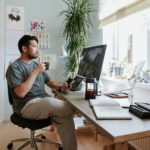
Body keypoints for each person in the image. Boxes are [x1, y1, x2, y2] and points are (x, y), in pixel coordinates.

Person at [6, 35, 77, 150]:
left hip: (43, 102)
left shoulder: (36, 65)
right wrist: (35, 72)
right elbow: (20, 93)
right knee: (52, 103)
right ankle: (76, 109)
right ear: (24, 49)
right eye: (34, 46)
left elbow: (50, 82)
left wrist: (60, 86)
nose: (37, 49)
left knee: (65, 116)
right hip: (26, 106)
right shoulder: (14, 67)